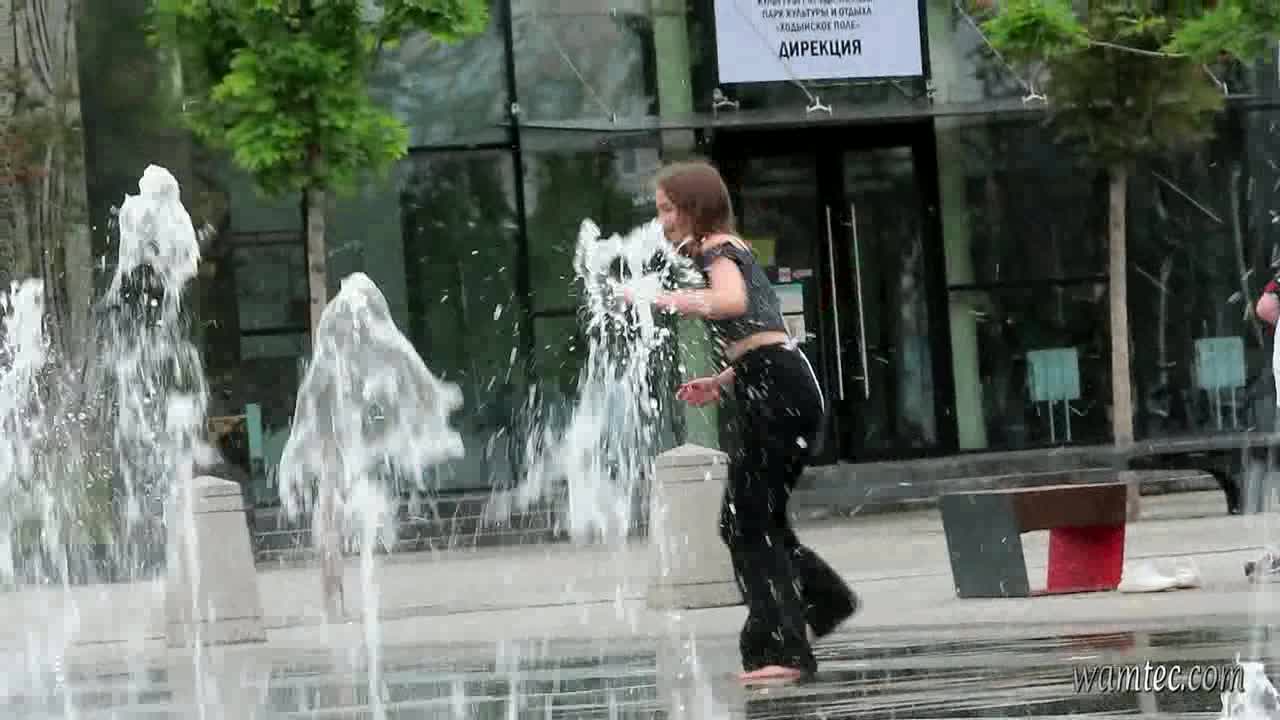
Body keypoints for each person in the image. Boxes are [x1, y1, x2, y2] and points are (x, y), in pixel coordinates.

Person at [623, 160, 857, 684]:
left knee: (749, 520)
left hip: (779, 389)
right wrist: (724, 379)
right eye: (659, 210)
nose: (662, 221)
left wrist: (665, 299)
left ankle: (785, 648)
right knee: (752, 519)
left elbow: (732, 302)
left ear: (694, 206)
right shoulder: (728, 248)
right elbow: (764, 331)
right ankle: (821, 603)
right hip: (772, 381)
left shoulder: (717, 248)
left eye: (668, 209)